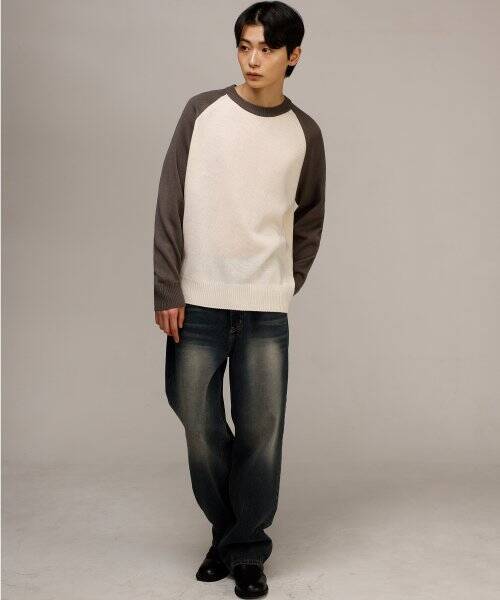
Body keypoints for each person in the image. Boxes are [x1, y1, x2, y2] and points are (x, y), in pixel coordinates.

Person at [153, 2, 326, 597]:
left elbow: (310, 215)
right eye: (245, 46)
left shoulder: (304, 133)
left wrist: (287, 279)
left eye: (267, 49)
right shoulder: (201, 112)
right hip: (197, 299)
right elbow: (170, 201)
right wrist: (167, 286)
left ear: (292, 56)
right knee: (196, 421)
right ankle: (232, 532)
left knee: (261, 431)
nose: (253, 60)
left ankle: (245, 550)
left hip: (264, 307)